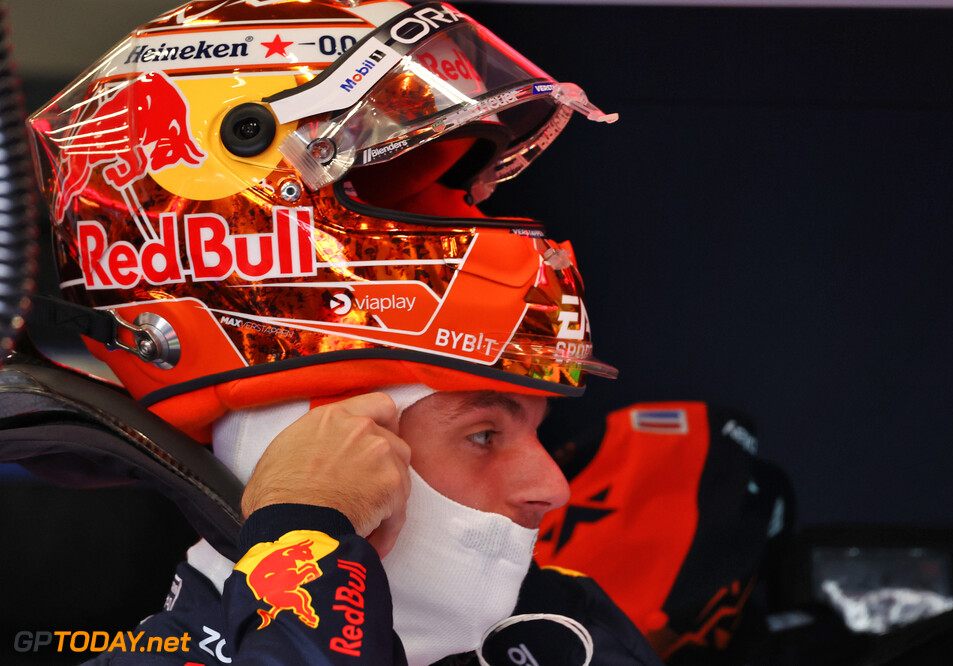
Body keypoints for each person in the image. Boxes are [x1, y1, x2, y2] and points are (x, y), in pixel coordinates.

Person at [25, 1, 658, 663]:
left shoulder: (565, 633)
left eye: (534, 428)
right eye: (482, 435)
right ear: (300, 448)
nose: (554, 487)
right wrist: (307, 537)